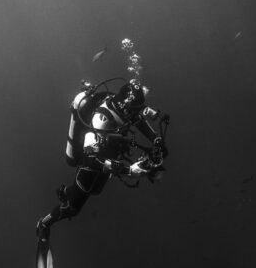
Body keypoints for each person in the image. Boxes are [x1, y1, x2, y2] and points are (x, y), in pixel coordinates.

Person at [36, 78, 169, 244]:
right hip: (90, 163)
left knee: (96, 190)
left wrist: (156, 140)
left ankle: (67, 192)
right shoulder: (101, 118)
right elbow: (92, 159)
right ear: (125, 107)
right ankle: (44, 224)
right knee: (72, 208)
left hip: (108, 157)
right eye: (135, 111)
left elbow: (138, 121)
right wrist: (129, 171)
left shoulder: (125, 108)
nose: (137, 114)